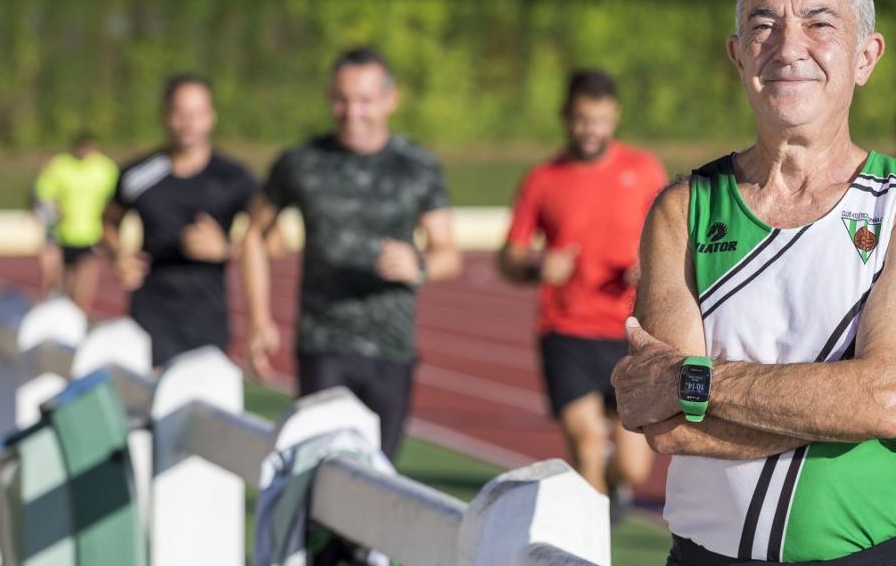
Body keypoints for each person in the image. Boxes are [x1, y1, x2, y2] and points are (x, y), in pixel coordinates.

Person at [611, 0, 896, 566]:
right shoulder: (681, 208)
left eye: (819, 23)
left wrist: (693, 379)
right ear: (738, 54)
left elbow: (889, 396)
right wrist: (854, 409)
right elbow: (669, 430)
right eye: (764, 25)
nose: (789, 45)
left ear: (866, 55)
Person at [241, 47, 462, 459]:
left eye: (365, 100)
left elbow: (448, 253)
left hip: (392, 348)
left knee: (379, 478)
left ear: (389, 100)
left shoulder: (417, 166)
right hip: (323, 342)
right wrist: (258, 319)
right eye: (342, 99)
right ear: (330, 97)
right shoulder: (302, 163)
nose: (351, 112)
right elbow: (253, 234)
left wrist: (418, 264)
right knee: (321, 474)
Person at [499, 70, 667, 507]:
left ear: (615, 117)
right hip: (566, 330)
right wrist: (539, 265)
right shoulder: (542, 180)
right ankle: (592, 556)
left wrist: (648, 268)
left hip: (629, 332)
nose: (590, 130)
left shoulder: (643, 170)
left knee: (633, 466)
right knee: (587, 445)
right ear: (565, 116)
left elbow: (672, 239)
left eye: (600, 120)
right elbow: (509, 257)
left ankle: (616, 485)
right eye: (581, 119)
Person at [103, 74, 258, 367]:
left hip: (207, 317)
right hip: (151, 313)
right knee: (153, 404)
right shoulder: (139, 174)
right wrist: (119, 255)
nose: (188, 123)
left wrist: (226, 249)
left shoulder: (233, 177)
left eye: (197, 114)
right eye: (180, 114)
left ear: (211, 117)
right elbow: (108, 222)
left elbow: (275, 240)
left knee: (201, 406)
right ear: (165, 116)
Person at [34, 133, 119, 314]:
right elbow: (43, 191)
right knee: (63, 278)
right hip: (64, 232)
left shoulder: (105, 168)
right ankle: (63, 308)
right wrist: (55, 209)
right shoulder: (61, 165)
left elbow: (117, 197)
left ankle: (81, 313)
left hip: (91, 232)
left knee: (86, 274)